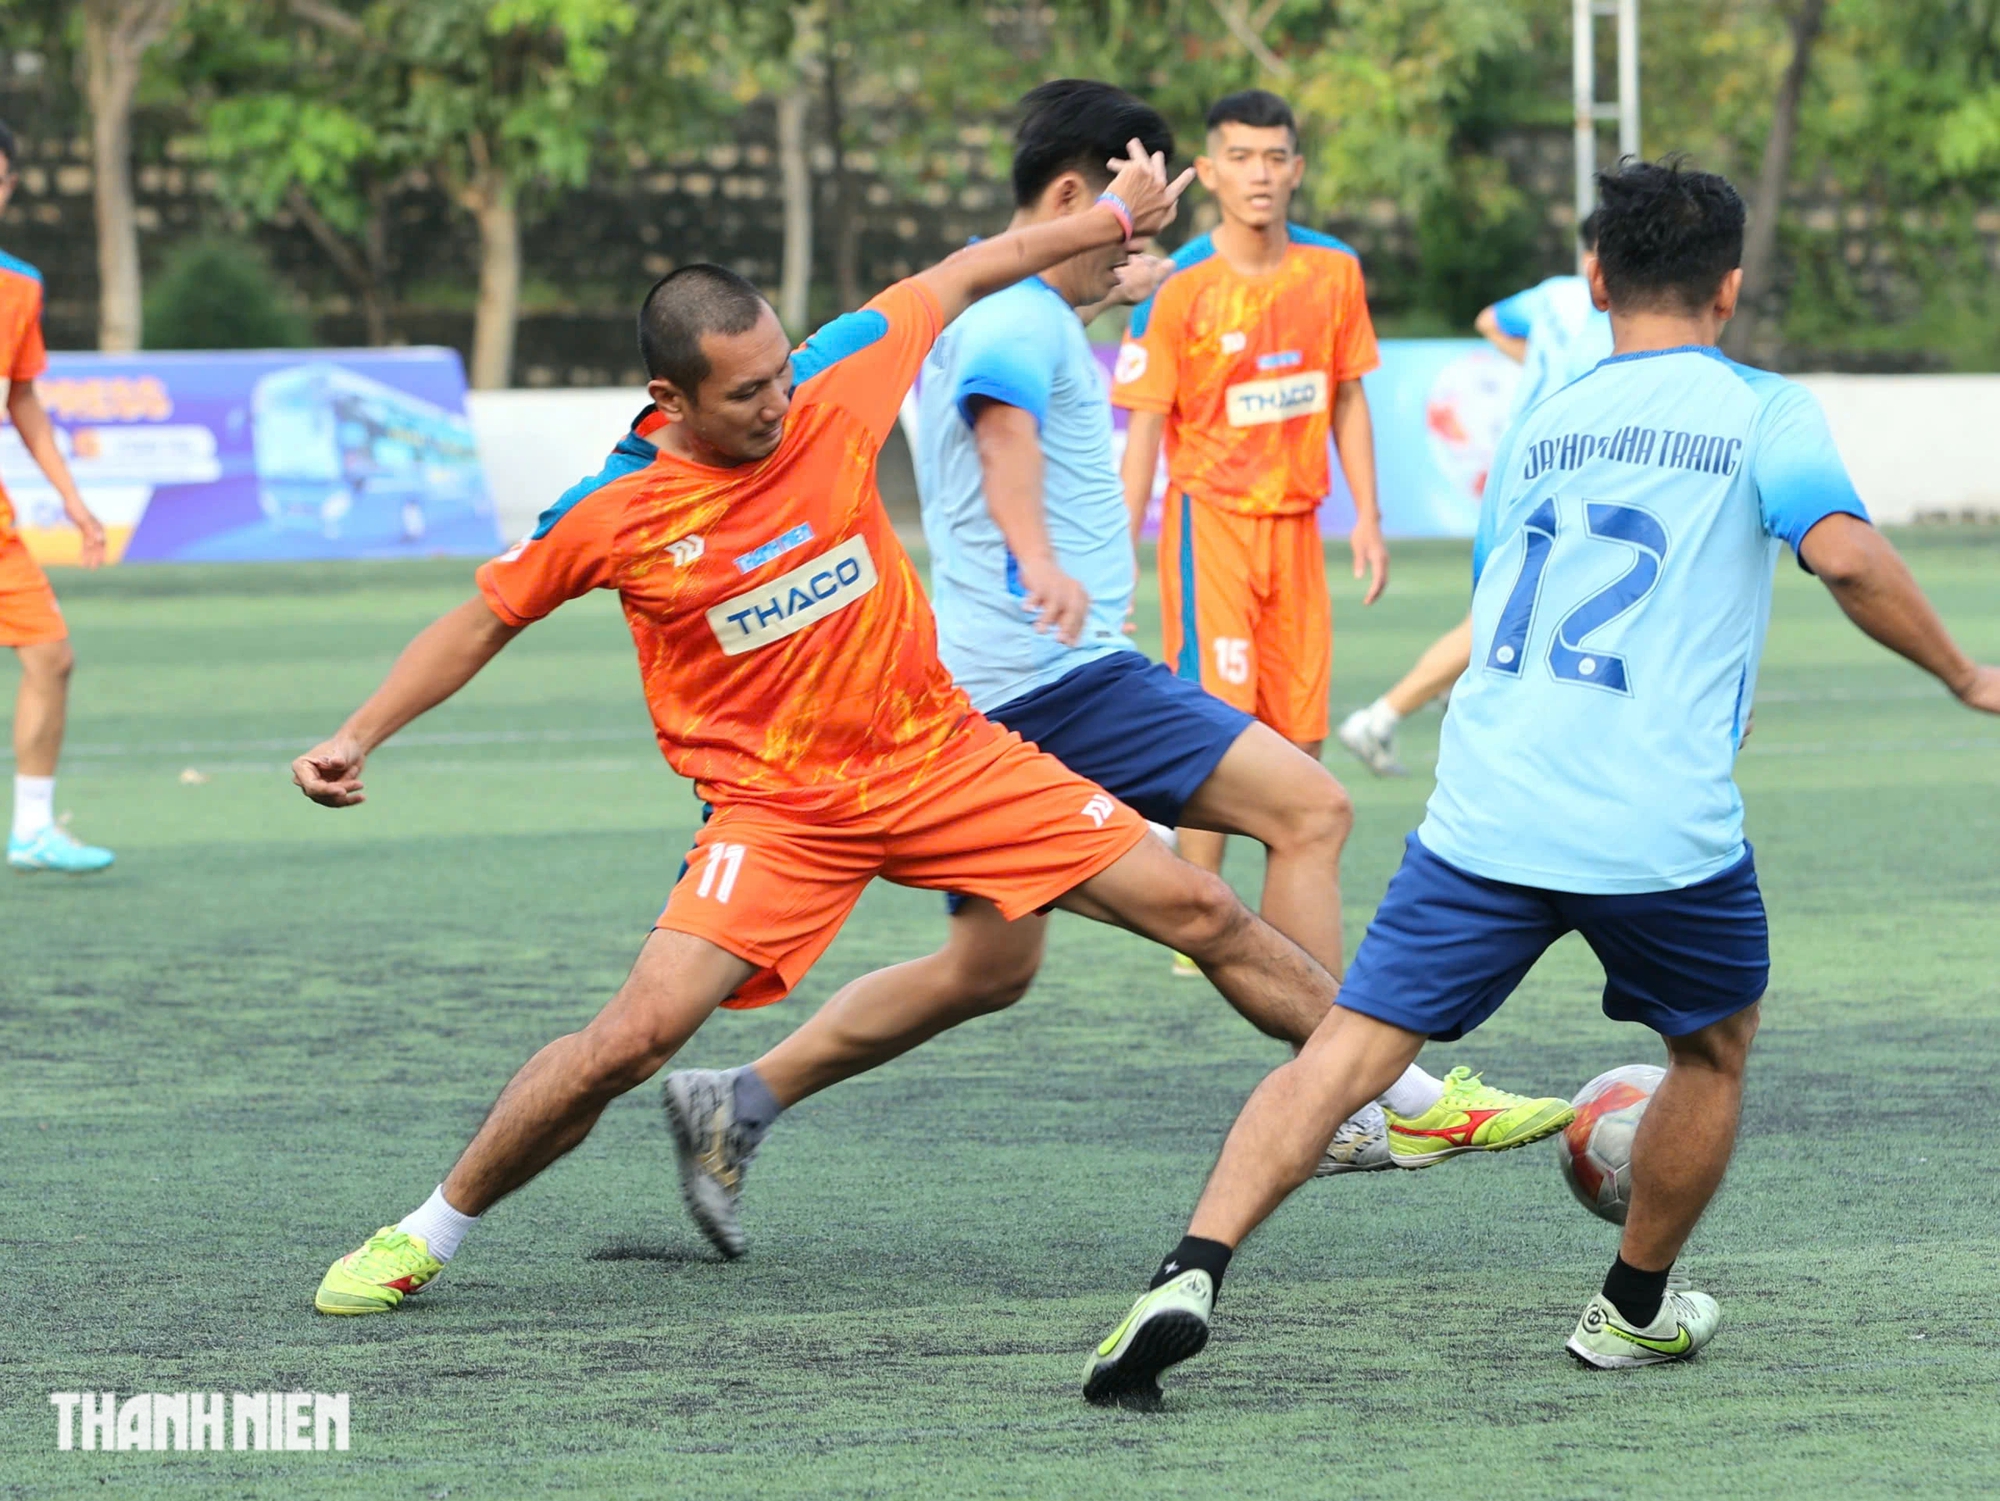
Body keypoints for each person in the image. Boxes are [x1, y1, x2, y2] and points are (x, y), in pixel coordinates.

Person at [292, 141, 1342, 1318]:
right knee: (633, 1037)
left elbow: (971, 266)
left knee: (1198, 907)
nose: (778, 405)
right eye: (745, 395)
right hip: (778, 811)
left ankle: (1390, 1092)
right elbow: (482, 621)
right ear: (669, 401)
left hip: (941, 755)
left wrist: (1103, 214)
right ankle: (423, 1231)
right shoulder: (615, 511)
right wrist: (358, 733)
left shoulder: (832, 376)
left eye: (781, 376)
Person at [1082, 157, 2000, 1404]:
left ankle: (1186, 1270)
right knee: (1713, 1051)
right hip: (1652, 827)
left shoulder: (1546, 420)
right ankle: (1627, 1311)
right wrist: (1962, 674)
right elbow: (1842, 557)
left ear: (1592, 280)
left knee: (1344, 1052)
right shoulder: (1761, 410)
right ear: (1727, 290)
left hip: (1485, 806)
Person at [654, 82, 1571, 1262]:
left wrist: (1110, 286)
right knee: (1309, 806)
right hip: (1055, 680)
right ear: (1075, 198)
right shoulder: (1012, 328)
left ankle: (736, 1101)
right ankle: (1349, 1093)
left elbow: (1030, 346)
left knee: (988, 966)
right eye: (1131, 220)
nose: (1137, 248)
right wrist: (1037, 555)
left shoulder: (1026, 306)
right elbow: (1000, 427)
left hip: (991, 687)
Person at [1112, 90, 1387, 971]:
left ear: (1296, 169)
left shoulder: (1334, 272)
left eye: (1276, 157)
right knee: (1216, 726)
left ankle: (1280, 931)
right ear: (1212, 170)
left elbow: (1347, 393)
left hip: (1299, 526)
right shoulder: (1179, 284)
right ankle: (1198, 925)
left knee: (1300, 732)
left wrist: (1369, 517)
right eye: (1242, 157)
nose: (1260, 174)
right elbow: (1146, 432)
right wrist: (1118, 554)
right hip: (1210, 527)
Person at [1337, 213, 1614, 777]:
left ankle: (1449, 695)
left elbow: (1489, 319)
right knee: (1512, 614)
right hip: (1563, 478)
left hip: (1519, 467)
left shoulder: (1553, 297)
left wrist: (1535, 359)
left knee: (1520, 612)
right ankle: (1385, 715)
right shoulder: (1616, 321)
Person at [0, 119, 114, 875]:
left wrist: (71, 497)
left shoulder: (20, 285)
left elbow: (23, 398)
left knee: (52, 655)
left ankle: (32, 828)